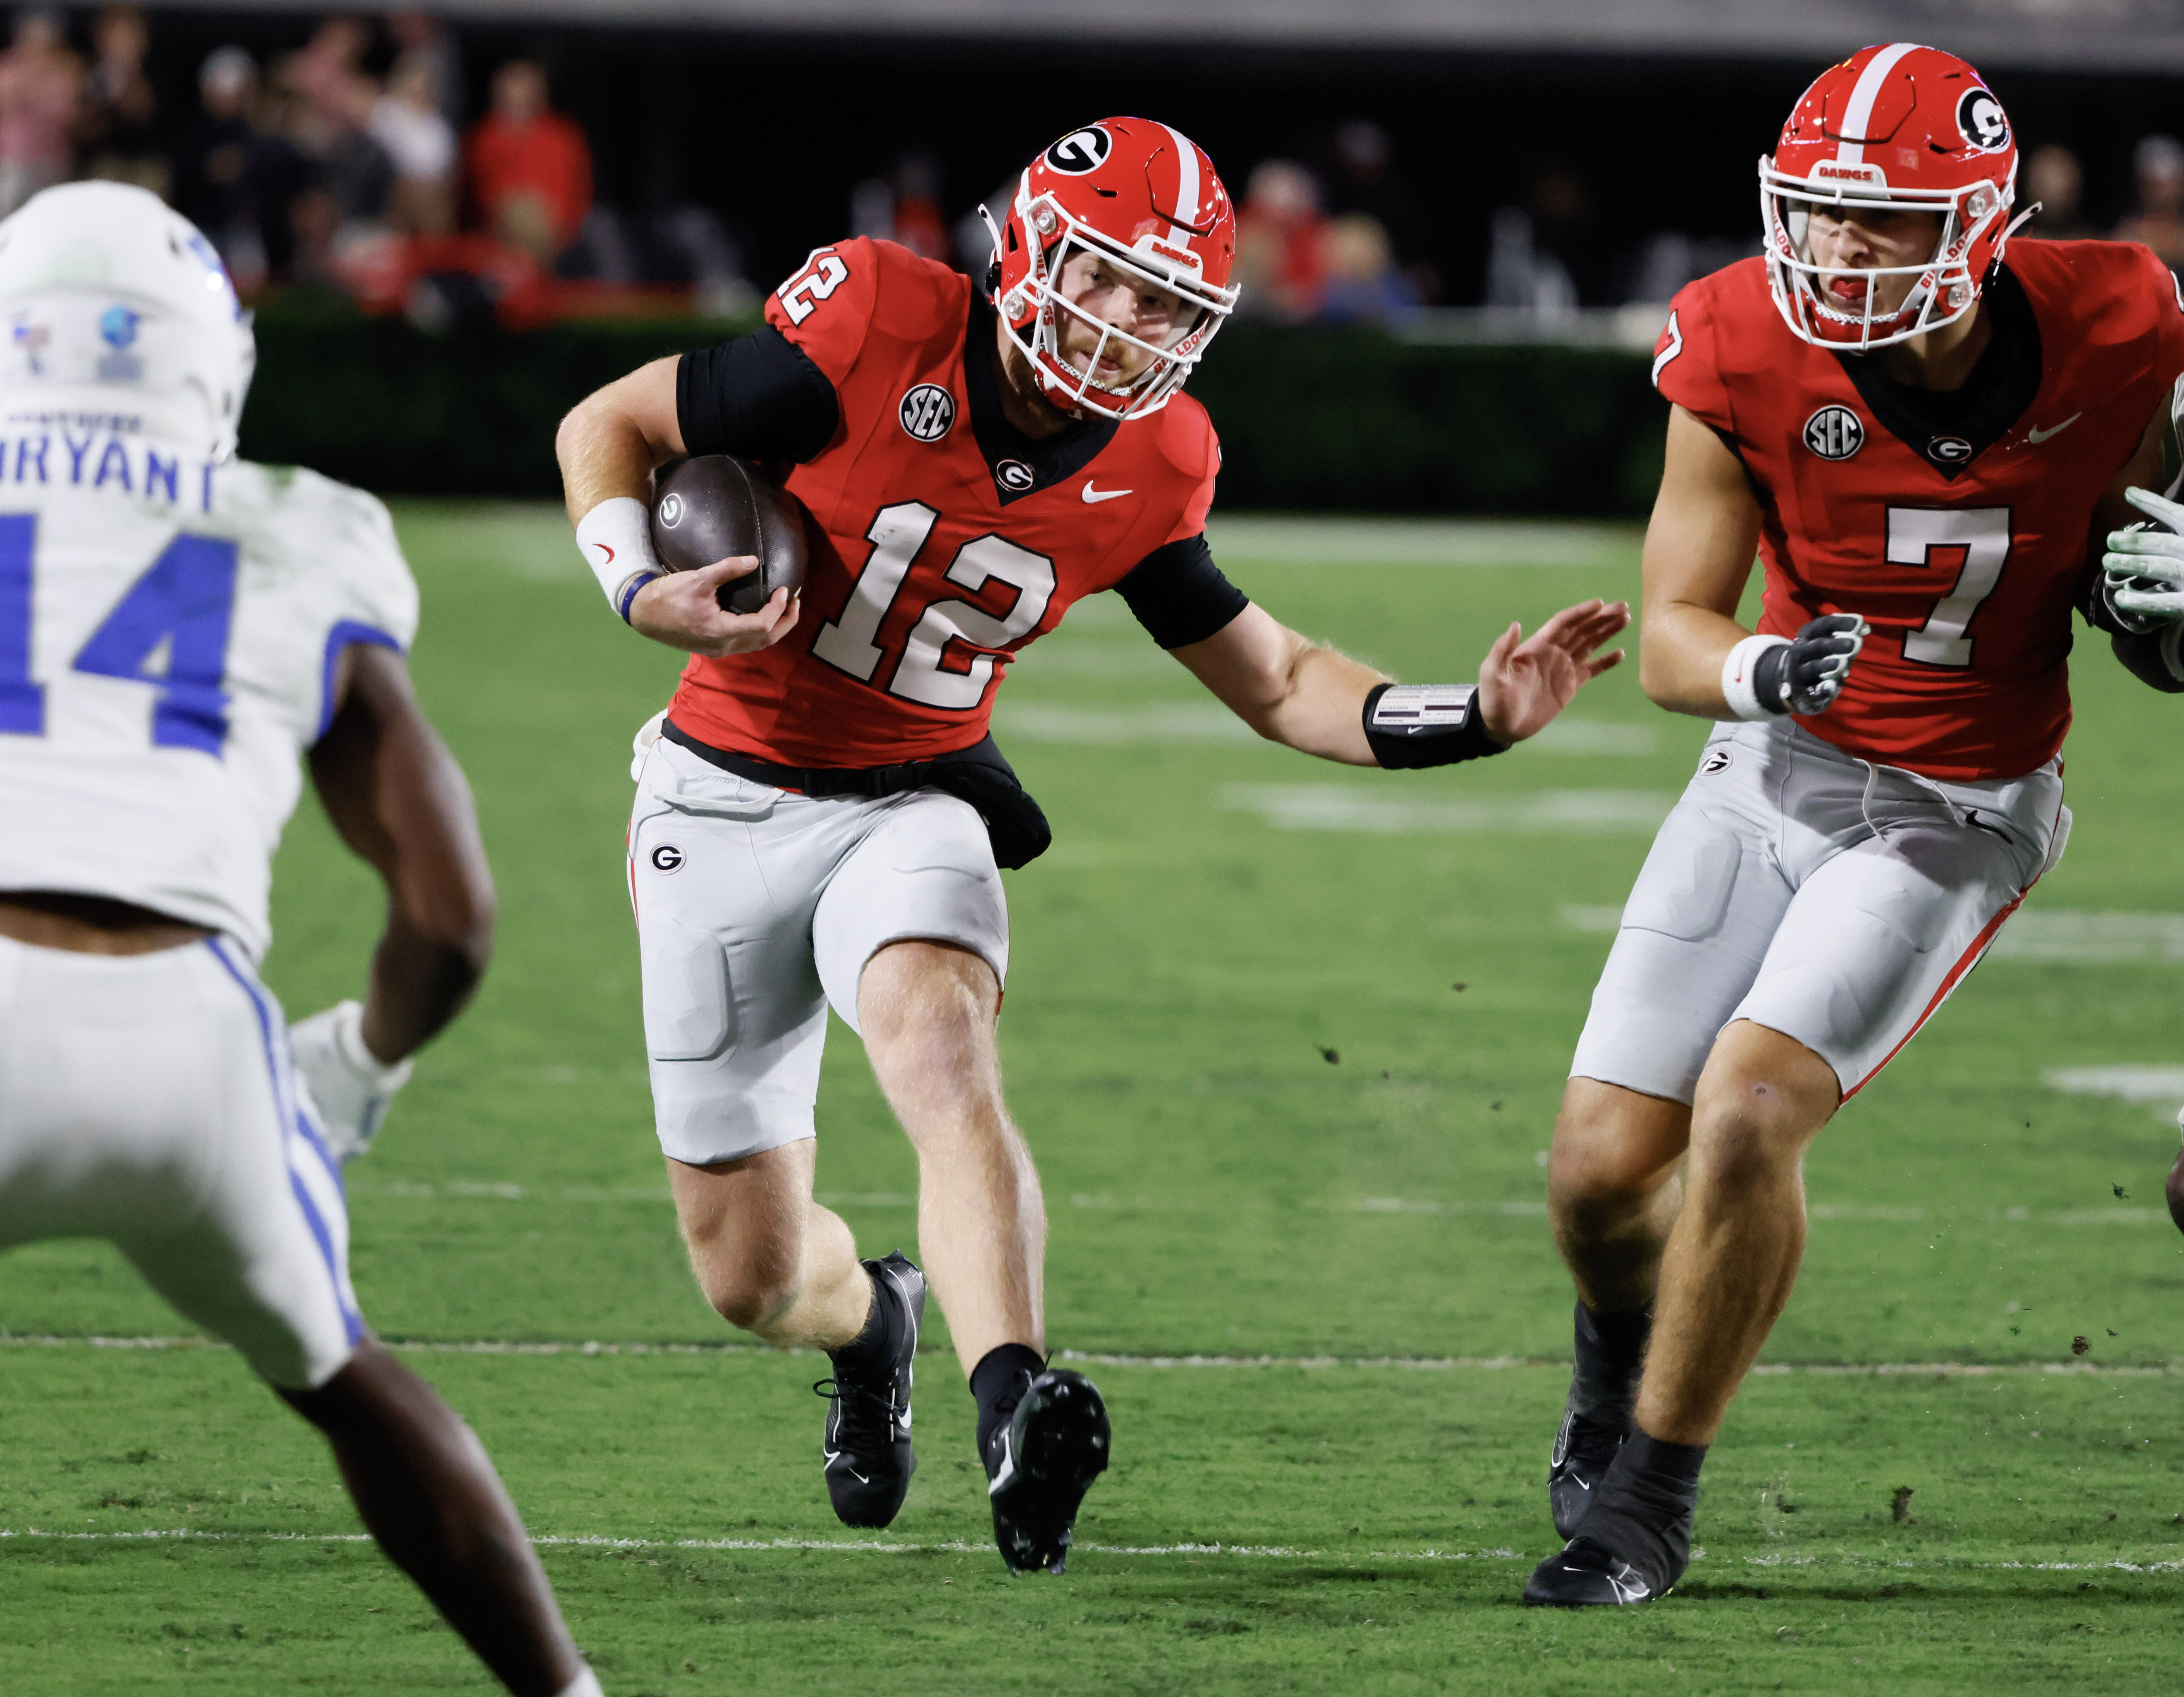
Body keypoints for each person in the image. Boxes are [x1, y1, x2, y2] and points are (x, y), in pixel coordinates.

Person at [555, 117, 1628, 1575]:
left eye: (1165, 303)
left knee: (940, 1046)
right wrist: (633, 586)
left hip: (911, 795)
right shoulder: (874, 321)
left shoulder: (1157, 459)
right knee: (747, 1275)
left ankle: (1018, 1404)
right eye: (1105, 280)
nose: (1128, 326)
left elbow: (1277, 677)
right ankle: (876, 1321)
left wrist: (1474, 715)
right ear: (1024, 252)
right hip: (714, 792)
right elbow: (604, 425)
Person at [1527, 43, 2184, 1609]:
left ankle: (1649, 1505)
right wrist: (1762, 665)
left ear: (1985, 227)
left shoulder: (2127, 324)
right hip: (1775, 769)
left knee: (1752, 1107)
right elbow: (1675, 624)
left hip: (1960, 806)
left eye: (1881, 222)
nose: (1834, 249)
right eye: (1818, 213)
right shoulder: (1742, 338)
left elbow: (2141, 575)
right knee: (1597, 1178)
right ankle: (1617, 1356)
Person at [0, 182, 602, 1697]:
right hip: (190, 1044)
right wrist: (359, 1062)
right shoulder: (297, 531)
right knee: (342, 1374)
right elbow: (451, 915)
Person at [465, 59, 590, 267]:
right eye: (509, 94)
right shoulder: (483, 137)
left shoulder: (563, 137)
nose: (516, 100)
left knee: (529, 215)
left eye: (524, 92)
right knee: (519, 211)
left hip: (555, 237)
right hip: (499, 234)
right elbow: (480, 195)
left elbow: (576, 196)